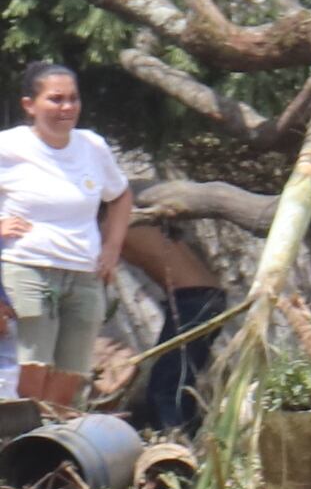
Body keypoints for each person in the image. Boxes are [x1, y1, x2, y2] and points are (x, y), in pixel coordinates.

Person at [0, 65, 131, 412]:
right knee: (31, 369)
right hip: (28, 268)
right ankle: (17, 446)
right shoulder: (9, 146)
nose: (67, 108)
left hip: (83, 273)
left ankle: (50, 447)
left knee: (70, 374)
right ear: (30, 105)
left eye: (73, 99)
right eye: (55, 99)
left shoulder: (92, 146)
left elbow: (119, 196)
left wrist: (112, 248)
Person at [119, 217, 224, 432]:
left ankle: (175, 440)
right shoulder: (141, 222)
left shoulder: (120, 225)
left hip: (195, 300)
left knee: (167, 384)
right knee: (177, 378)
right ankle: (187, 433)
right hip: (205, 297)